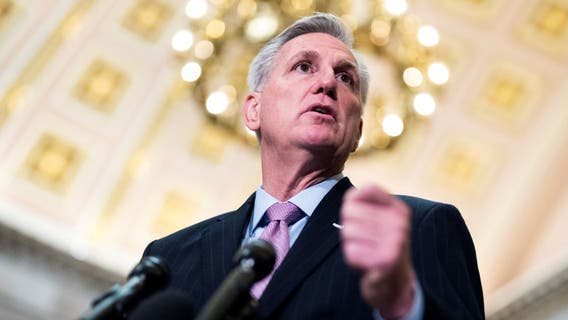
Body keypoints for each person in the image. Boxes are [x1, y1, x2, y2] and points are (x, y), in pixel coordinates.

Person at [142, 13, 484, 319]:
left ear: (358, 132)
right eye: (303, 66)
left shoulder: (417, 230)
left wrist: (402, 305)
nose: (327, 84)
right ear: (253, 110)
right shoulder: (169, 257)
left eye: (346, 78)